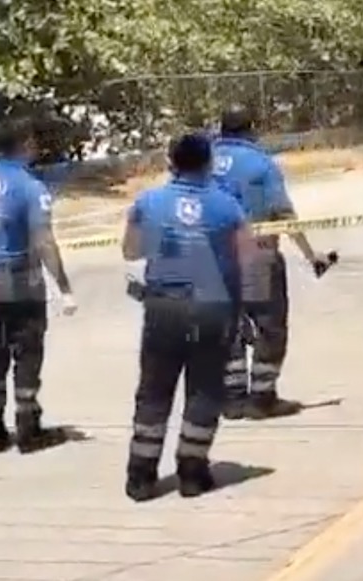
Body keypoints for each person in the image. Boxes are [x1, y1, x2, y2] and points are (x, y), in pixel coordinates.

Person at [120, 133, 255, 501]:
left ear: (171, 163)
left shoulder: (147, 202)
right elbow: (246, 258)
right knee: (205, 390)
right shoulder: (228, 207)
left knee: (153, 391)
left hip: (164, 308)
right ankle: (193, 473)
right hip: (213, 310)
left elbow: (130, 251)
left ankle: (141, 476)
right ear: (209, 163)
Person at [0, 115, 78, 453]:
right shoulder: (31, 187)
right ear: (25, 144)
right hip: (23, 282)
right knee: (27, 353)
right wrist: (64, 287)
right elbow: (44, 241)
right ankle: (28, 427)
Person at [211, 105, 334, 420]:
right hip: (256, 256)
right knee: (270, 327)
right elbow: (283, 214)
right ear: (251, 128)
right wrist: (311, 255)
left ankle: (232, 399)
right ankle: (262, 398)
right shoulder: (261, 164)